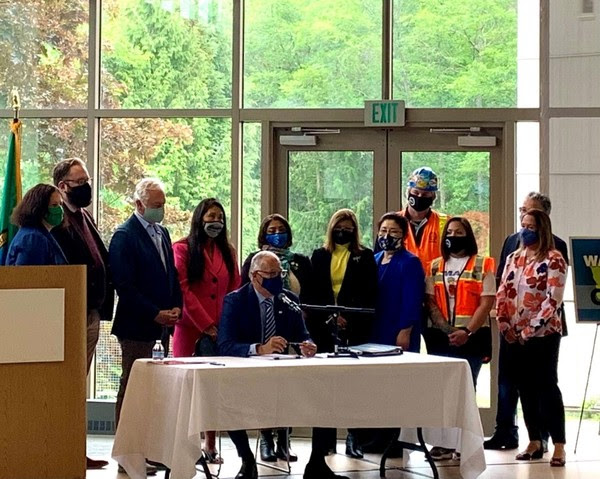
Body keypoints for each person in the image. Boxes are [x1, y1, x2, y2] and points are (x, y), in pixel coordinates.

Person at [217, 252, 347, 479]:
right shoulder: (235, 301)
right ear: (255, 276)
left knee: (325, 394)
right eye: (271, 274)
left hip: (283, 377)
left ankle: (317, 464)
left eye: (280, 273)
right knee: (229, 400)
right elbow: (225, 345)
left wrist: (308, 346)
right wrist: (259, 348)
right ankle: (247, 461)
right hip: (245, 377)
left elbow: (302, 336)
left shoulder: (289, 300)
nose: (277, 278)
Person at [485, 192, 569, 451]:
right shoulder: (513, 254)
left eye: (531, 225)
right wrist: (506, 323)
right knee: (522, 387)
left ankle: (556, 444)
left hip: (542, 333)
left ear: (542, 225)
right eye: (523, 224)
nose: (525, 229)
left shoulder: (554, 255)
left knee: (545, 386)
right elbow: (504, 290)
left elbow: (553, 297)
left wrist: (530, 329)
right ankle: (532, 441)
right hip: (513, 332)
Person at [110, 178, 182, 476]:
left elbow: (170, 275)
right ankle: (127, 452)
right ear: (139, 204)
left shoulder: (162, 233)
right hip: (137, 327)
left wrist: (176, 307)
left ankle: (151, 449)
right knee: (133, 388)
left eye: (163, 205)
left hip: (163, 328)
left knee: (157, 392)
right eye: (155, 206)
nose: (160, 210)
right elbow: (124, 286)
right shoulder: (124, 236)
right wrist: (155, 313)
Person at [51, 158, 114, 470]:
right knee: (70, 385)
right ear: (62, 187)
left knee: (81, 383)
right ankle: (67, 448)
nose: (87, 186)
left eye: (87, 179)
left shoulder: (84, 216)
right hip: (70, 312)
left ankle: (78, 448)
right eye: (80, 182)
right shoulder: (56, 220)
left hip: (91, 311)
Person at [172, 198, 240, 464]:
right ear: (200, 219)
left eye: (220, 218)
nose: (216, 222)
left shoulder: (228, 251)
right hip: (191, 328)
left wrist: (225, 325)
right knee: (187, 390)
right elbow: (183, 288)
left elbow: (234, 287)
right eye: (211, 216)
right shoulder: (182, 248)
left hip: (221, 331)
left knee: (213, 389)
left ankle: (210, 445)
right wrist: (205, 324)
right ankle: (186, 448)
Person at [240, 213, 312, 462]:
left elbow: (311, 294)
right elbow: (243, 295)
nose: (277, 233)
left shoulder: (300, 261)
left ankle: (285, 439)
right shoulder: (253, 260)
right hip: (261, 334)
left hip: (291, 331)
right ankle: (266, 439)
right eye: (272, 229)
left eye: (281, 229)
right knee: (264, 390)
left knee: (287, 390)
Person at [424, 217, 496, 460]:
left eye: (459, 232)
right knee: (441, 392)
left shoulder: (483, 264)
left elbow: (487, 302)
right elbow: (430, 300)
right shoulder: (434, 265)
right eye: (450, 231)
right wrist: (445, 329)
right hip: (441, 337)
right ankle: (442, 443)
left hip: (471, 338)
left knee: (466, 391)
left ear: (468, 236)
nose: (453, 236)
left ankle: (463, 444)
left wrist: (467, 332)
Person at [309, 208, 377, 459]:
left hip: (355, 328)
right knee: (326, 387)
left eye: (348, 228)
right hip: (324, 329)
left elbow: (370, 293)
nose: (343, 231)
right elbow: (313, 292)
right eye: (339, 227)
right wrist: (330, 318)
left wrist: (348, 317)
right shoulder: (319, 255)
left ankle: (354, 437)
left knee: (354, 386)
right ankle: (325, 441)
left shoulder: (365, 256)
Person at [371, 212, 424, 352]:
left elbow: (412, 300)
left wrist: (405, 331)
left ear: (404, 235)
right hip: (376, 327)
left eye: (393, 231)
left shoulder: (410, 262)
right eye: (383, 231)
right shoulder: (373, 259)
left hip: (398, 328)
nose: (386, 235)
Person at [6, 184, 67, 265]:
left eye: (61, 204)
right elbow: (32, 275)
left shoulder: (34, 233)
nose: (60, 209)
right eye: (54, 205)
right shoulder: (33, 238)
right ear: (39, 207)